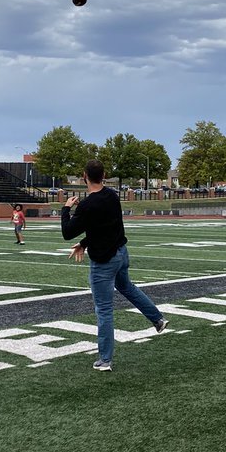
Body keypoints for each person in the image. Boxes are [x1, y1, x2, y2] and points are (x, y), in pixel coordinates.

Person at [60, 159, 167, 371]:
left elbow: (67, 232)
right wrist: (84, 243)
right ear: (104, 175)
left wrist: (66, 209)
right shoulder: (111, 196)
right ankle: (157, 319)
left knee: (104, 309)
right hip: (121, 253)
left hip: (104, 261)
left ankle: (105, 359)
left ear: (84, 176)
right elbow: (104, 228)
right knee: (127, 287)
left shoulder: (88, 205)